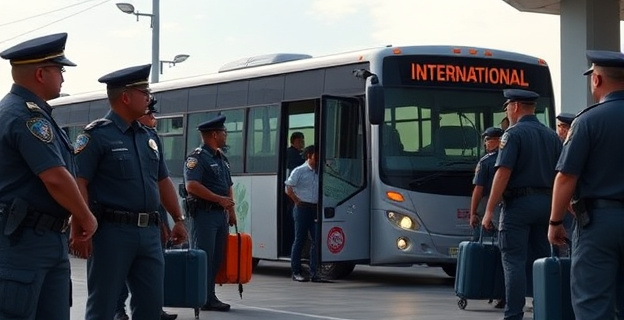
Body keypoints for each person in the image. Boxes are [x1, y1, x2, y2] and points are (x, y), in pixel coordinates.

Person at [73, 64, 188, 320]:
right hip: (112, 233)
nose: (149, 97)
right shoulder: (96, 136)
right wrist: (81, 224)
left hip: (149, 233)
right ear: (125, 97)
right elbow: (79, 182)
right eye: (143, 92)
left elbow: (162, 181)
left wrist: (178, 219)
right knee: (102, 306)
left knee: (150, 306)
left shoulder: (149, 136)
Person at [0, 33, 98, 320]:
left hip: (42, 238)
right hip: (24, 241)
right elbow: (55, 177)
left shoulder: (32, 114)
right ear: (41, 73)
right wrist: (86, 216)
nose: (64, 78)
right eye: (60, 70)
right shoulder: (26, 118)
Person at [548, 50, 624, 320]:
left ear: (598, 80)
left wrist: (555, 222)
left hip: (598, 223)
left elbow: (566, 176)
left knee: (593, 303)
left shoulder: (588, 120)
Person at [482, 89, 562, 320]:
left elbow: (503, 174)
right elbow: (562, 175)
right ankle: (545, 310)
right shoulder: (551, 136)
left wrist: (489, 211)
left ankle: (513, 314)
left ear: (515, 106)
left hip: (518, 206)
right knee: (542, 261)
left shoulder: (512, 135)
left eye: (507, 107)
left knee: (513, 261)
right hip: (547, 205)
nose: (506, 111)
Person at [113, 98, 177, 320]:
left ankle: (154, 309)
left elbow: (159, 183)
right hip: (120, 223)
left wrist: (172, 220)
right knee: (119, 273)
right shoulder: (108, 135)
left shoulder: (151, 140)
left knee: (152, 272)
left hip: (151, 219)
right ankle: (117, 309)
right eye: (150, 115)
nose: (154, 119)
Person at [184, 114, 237, 312]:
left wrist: (231, 211)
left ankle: (209, 296)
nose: (226, 136)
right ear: (214, 134)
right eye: (224, 132)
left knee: (216, 257)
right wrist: (218, 200)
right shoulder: (197, 158)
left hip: (220, 216)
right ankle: (200, 297)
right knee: (203, 257)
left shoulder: (222, 158)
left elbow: (228, 186)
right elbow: (192, 186)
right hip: (204, 215)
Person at [285, 145, 323, 282]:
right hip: (302, 208)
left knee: (316, 240)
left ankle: (315, 272)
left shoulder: (320, 171)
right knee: (299, 239)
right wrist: (297, 201)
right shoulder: (299, 171)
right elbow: (288, 187)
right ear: (309, 156)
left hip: (315, 208)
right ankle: (296, 271)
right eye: (316, 156)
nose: (318, 159)